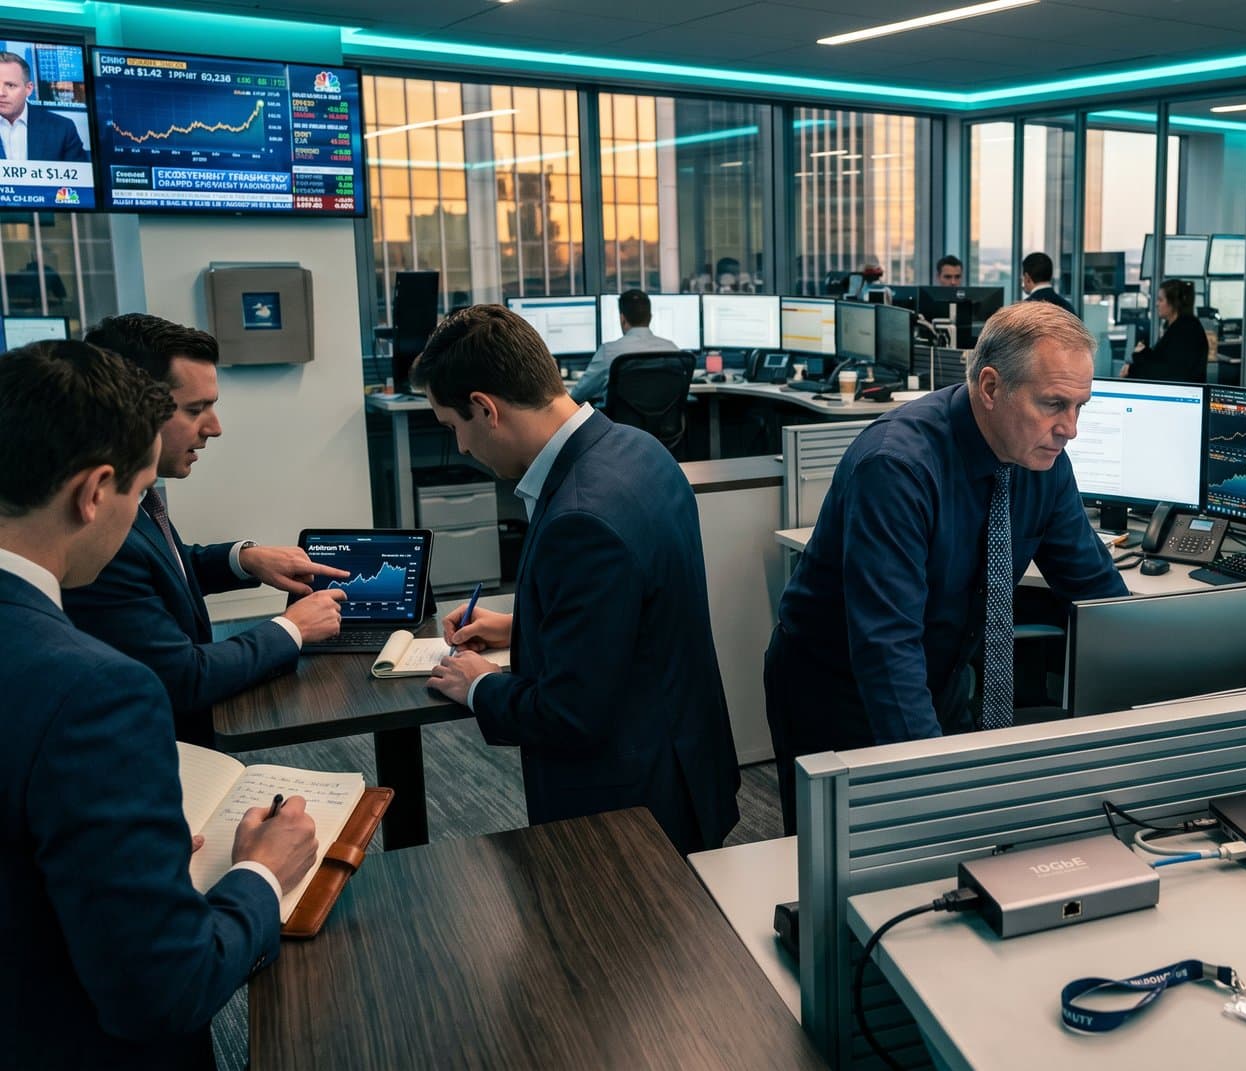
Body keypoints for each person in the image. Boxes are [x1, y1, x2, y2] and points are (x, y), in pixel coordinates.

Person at [0, 340, 318, 1068]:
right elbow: (163, 987)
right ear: (92, 492)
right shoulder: (93, 695)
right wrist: (261, 873)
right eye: (139, 494)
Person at [763, 302, 1129, 831]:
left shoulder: (1043, 464)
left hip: (943, 672)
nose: (1070, 429)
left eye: (1080, 406)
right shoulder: (898, 467)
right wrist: (934, 788)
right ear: (990, 387)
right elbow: (886, 649)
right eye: (1053, 404)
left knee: (949, 854)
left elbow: (1096, 591)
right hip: (839, 689)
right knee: (851, 862)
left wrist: (1166, 692)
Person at [412, 305, 738, 853]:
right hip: (683, 763)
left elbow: (569, 715)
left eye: (454, 429)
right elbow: (639, 614)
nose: (462, 449)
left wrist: (478, 685)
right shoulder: (639, 450)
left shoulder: (580, 517)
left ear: (484, 409)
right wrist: (524, 626)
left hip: (629, 812)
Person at [63, 314, 348, 747]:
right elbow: (185, 677)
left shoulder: (136, 498)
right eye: (196, 409)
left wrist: (243, 559)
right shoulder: (100, 533)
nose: (214, 427)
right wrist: (291, 628)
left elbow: (161, 569)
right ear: (133, 409)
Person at [568, 288, 691, 406]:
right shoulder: (672, 350)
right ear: (650, 317)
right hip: (665, 425)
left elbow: (578, 396)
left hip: (622, 426)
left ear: (622, 318)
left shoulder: (608, 351)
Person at [0, 51, 88, 164]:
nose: (1, 93)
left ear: (28, 89)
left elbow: (80, 177)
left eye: (10, 85)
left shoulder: (62, 128)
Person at [1125, 279, 1207, 383]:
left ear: (1173, 303)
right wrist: (1143, 352)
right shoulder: (1175, 327)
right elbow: (1162, 360)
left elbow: (1167, 372)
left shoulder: (1186, 331)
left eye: (1160, 300)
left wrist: (1132, 368)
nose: (1156, 304)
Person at [1020, 252, 1077, 316]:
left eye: (1023, 277)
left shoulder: (1023, 309)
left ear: (1027, 277)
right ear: (1051, 275)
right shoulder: (1068, 308)